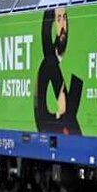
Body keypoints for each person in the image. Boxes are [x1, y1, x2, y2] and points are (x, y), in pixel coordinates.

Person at [34, 7, 82, 135]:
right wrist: (58, 116)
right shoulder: (47, 66)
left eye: (64, 18)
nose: (62, 25)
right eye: (58, 19)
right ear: (52, 25)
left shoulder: (71, 62)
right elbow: (42, 114)